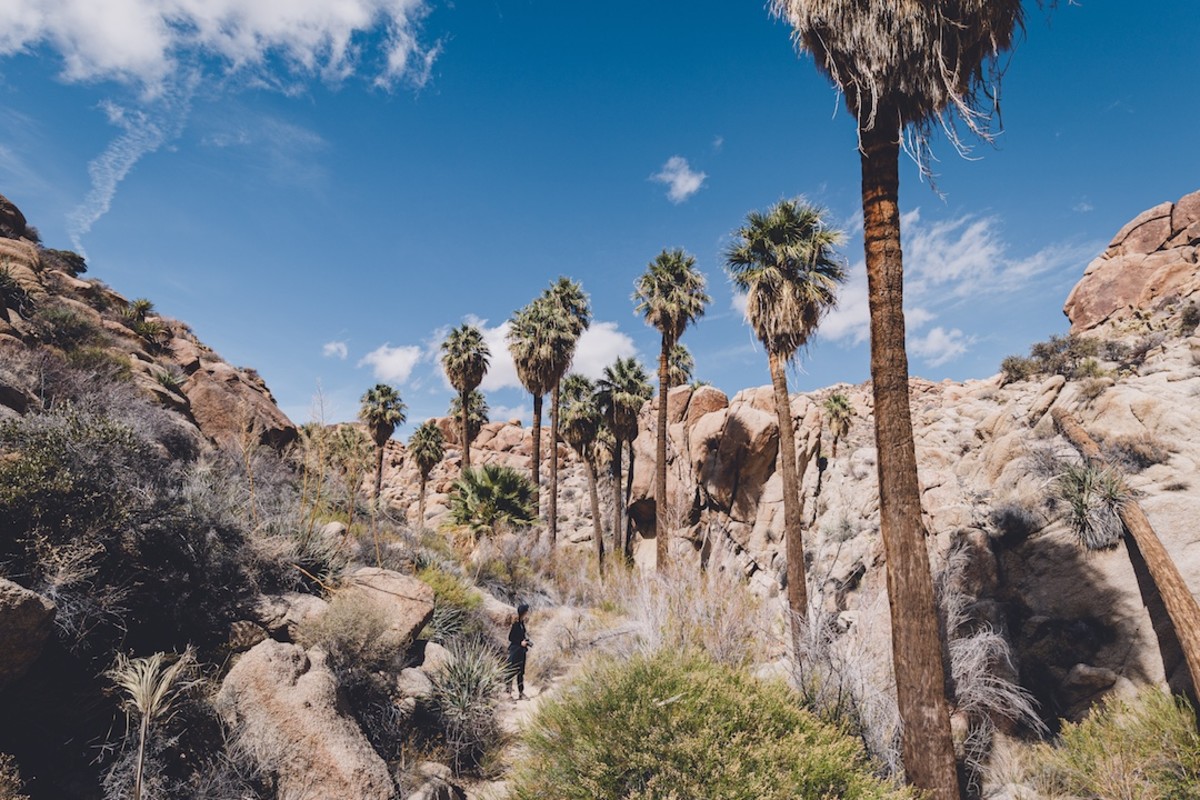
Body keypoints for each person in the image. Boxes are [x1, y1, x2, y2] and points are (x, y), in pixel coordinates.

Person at [507, 602, 531, 700]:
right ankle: (508, 693)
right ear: (523, 613)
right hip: (515, 651)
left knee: (521, 672)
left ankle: (521, 693)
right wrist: (520, 643)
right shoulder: (516, 624)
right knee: (511, 671)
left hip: (521, 651)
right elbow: (511, 637)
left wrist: (526, 641)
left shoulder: (521, 624)